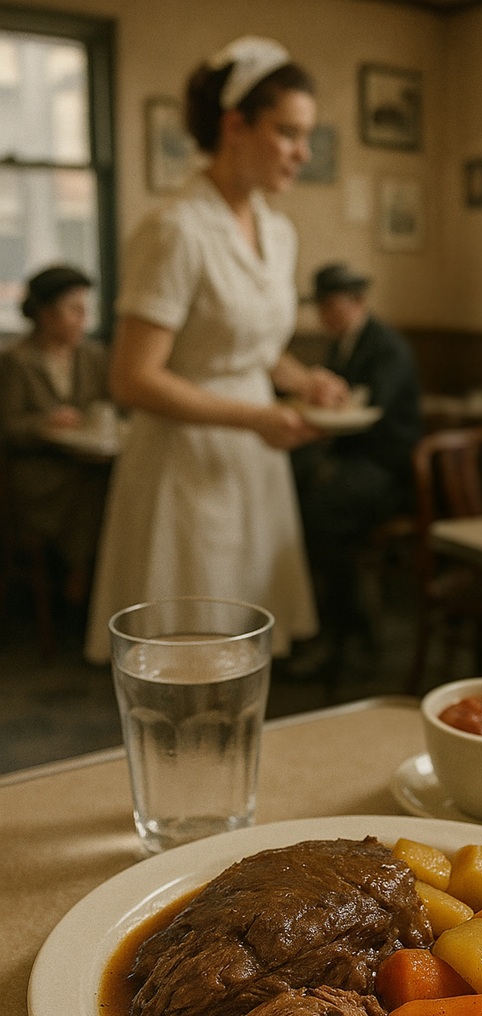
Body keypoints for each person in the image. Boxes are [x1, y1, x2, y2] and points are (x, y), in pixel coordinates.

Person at [84, 36, 347, 664]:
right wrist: (256, 417)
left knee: (250, 647)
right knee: (192, 652)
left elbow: (251, 348)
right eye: (287, 133)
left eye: (306, 136)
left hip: (253, 462)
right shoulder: (175, 230)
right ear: (235, 127)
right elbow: (132, 378)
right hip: (184, 460)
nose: (303, 153)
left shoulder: (278, 232)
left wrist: (305, 381)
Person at [291, 261, 423, 676]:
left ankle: (344, 632)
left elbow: (371, 408)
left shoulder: (387, 347)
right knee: (292, 489)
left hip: (390, 468)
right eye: (320, 307)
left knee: (322, 514)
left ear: (358, 302)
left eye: (331, 306)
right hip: (353, 459)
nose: (324, 316)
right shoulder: (341, 345)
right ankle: (320, 621)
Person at [0, 265, 111, 607]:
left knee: (118, 478)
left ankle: (101, 577)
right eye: (74, 310)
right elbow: (9, 427)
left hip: (88, 460)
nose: (83, 319)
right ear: (46, 314)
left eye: (85, 309)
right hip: (40, 472)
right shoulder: (17, 361)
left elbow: (112, 406)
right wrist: (45, 423)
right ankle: (82, 574)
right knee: (91, 486)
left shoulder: (92, 356)